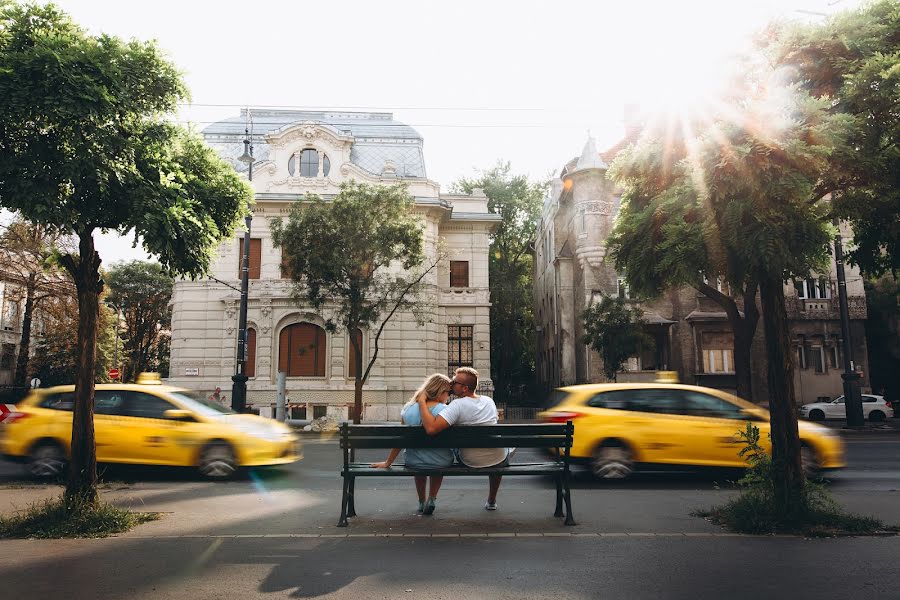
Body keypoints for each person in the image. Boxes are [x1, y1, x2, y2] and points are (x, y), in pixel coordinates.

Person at [416, 367, 507, 511]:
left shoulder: (457, 405)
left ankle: (427, 498)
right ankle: (491, 500)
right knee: (502, 450)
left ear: (464, 388)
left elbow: (431, 429)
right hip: (496, 457)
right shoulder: (489, 401)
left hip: (470, 459)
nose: (451, 384)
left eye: (454, 382)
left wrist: (421, 402)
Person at [371, 373, 453, 515]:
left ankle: (421, 501)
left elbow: (401, 439)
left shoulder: (408, 409)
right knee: (438, 456)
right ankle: (432, 498)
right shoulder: (445, 410)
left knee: (419, 457)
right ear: (440, 392)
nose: (449, 396)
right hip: (441, 461)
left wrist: (388, 462)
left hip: (414, 461)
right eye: (448, 393)